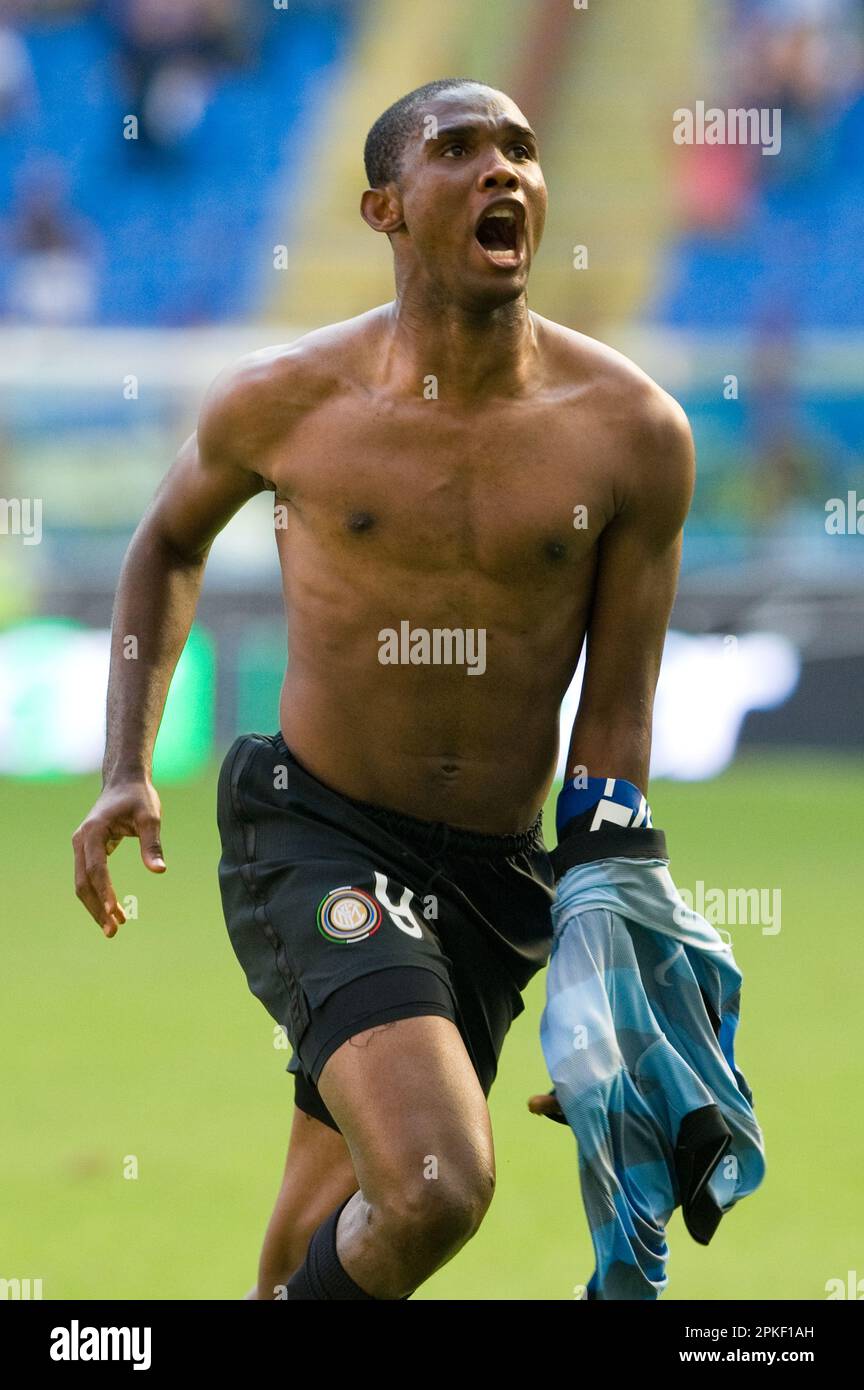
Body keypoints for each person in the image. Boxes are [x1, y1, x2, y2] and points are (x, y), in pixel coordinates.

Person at [73, 77, 697, 1300]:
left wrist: (607, 923)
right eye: (457, 150)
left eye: (519, 148)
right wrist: (125, 766)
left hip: (492, 879)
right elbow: (167, 542)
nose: (501, 171)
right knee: (434, 1182)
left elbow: (615, 712)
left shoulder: (634, 433)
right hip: (317, 834)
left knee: (328, 1234)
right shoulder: (288, 399)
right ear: (385, 208)